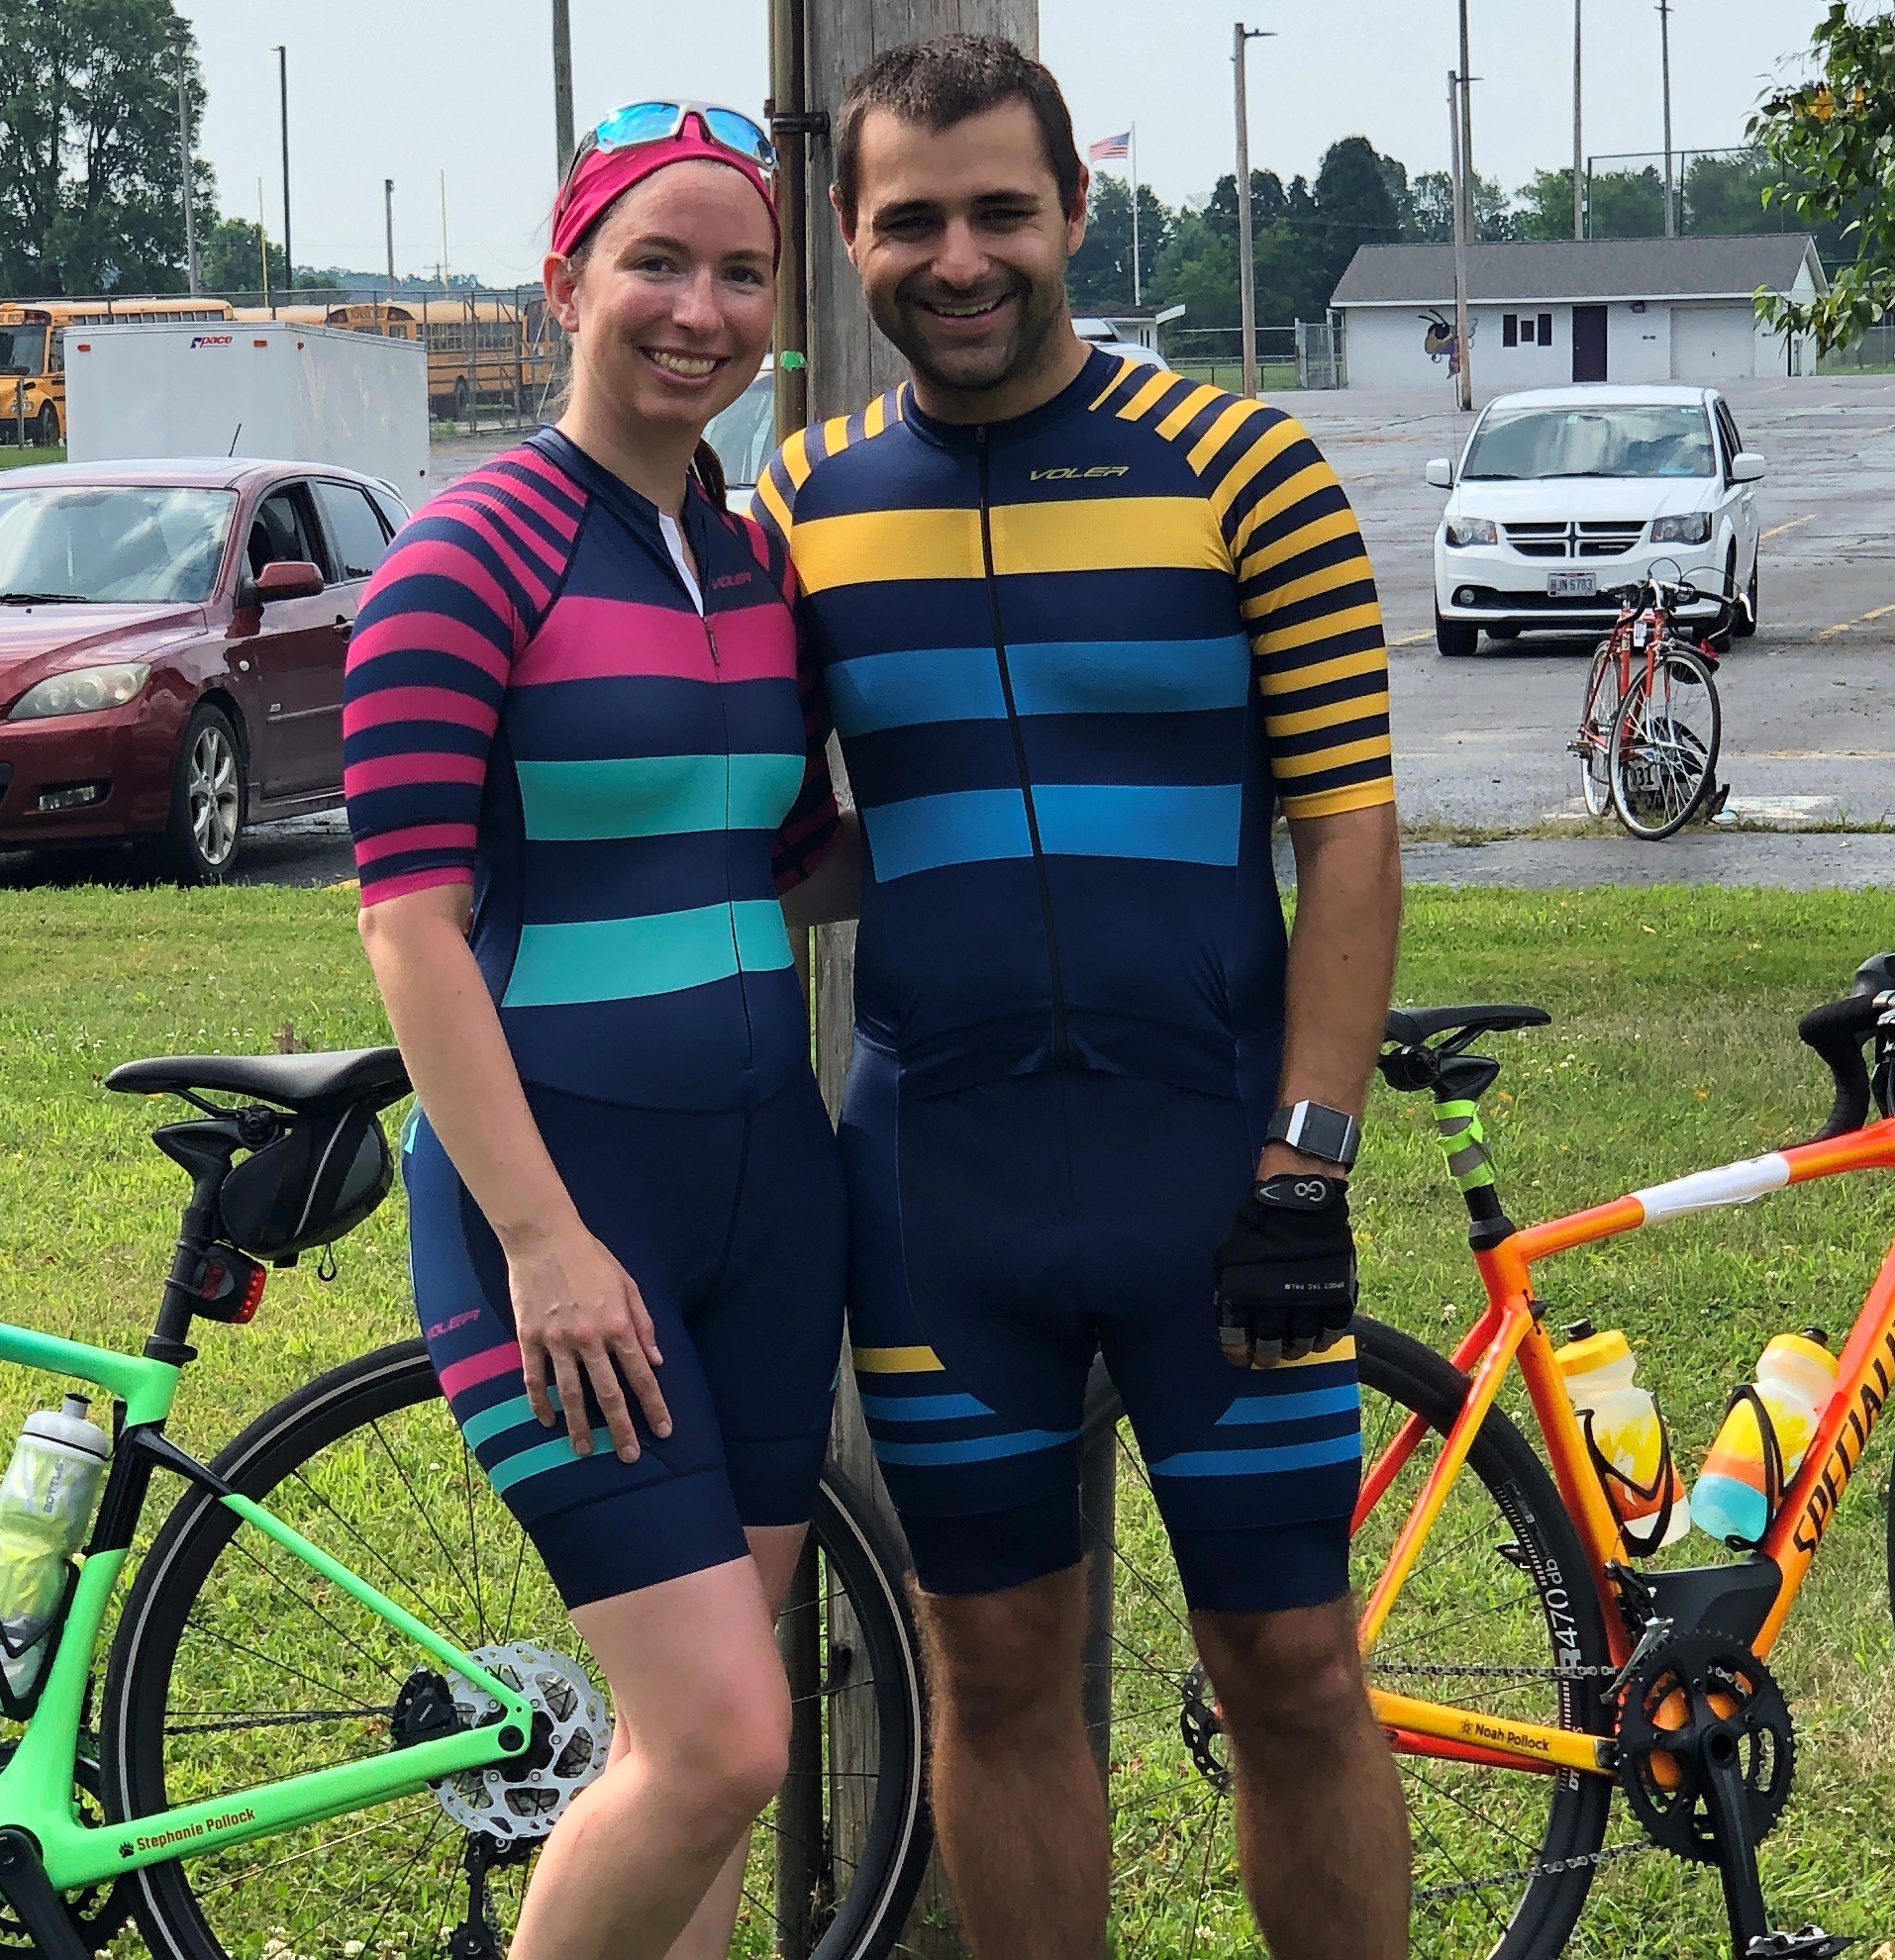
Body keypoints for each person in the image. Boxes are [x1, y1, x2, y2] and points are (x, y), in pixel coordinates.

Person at [752, 34, 1411, 1960]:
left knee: (1290, 1660)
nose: (956, 258)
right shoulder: (798, 514)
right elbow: (791, 842)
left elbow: (1348, 842)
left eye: (997, 212)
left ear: (1071, 212)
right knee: (998, 1670)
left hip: (1217, 1169)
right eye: (908, 221)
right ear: (850, 235)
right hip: (939, 1187)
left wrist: (1304, 1159)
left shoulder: (1245, 469)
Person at [348, 103, 848, 1960]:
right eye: (655, 260)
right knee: (721, 1740)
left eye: (738, 271)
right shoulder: (470, 553)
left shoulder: (755, 560)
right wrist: (547, 1241)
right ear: (565, 280)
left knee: (693, 1754)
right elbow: (408, 929)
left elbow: (778, 858)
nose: (695, 308)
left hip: (768, 1209)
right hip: (560, 1208)